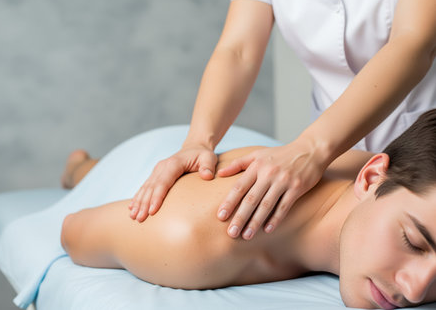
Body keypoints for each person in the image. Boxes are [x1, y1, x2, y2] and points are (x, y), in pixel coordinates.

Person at [125, 0, 436, 241]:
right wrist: (198, 140)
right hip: (330, 152)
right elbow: (238, 49)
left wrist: (312, 149)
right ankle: (81, 168)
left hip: (422, 152)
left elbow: (413, 42)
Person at [61, 109, 436, 309]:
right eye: (413, 242)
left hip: (268, 152)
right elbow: (73, 231)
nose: (417, 291)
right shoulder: (189, 240)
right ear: (370, 180)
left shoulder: (399, 185)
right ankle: (80, 167)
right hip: (168, 164)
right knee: (90, 174)